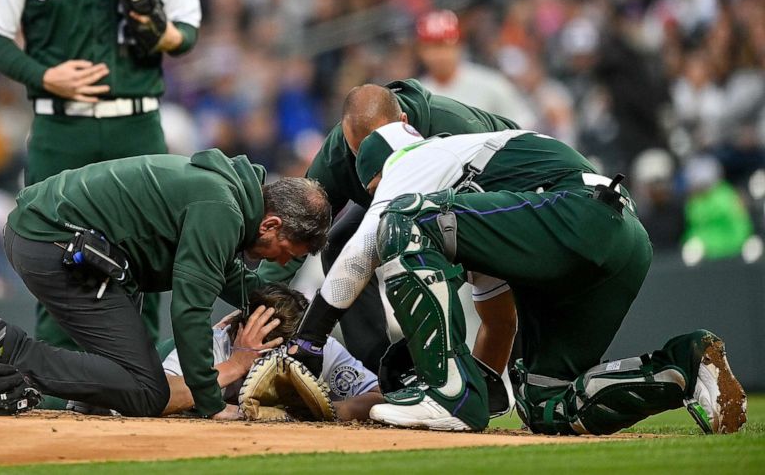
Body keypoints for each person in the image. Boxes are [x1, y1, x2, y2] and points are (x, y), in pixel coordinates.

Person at [293, 124, 747, 435]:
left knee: (400, 221)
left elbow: (361, 250)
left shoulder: (411, 163)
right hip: (621, 239)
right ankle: (684, 365)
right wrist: (485, 378)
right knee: (543, 406)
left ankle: (445, 394)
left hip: (575, 211)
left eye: (372, 192)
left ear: (377, 174)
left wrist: (308, 340)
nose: (375, 199)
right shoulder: (464, 195)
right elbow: (499, 318)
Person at [0, 0, 201, 359]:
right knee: (52, 251)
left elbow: (188, 30)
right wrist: (44, 75)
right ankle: (55, 379)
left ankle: (141, 375)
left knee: (142, 251)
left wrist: (159, 34)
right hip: (60, 126)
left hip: (135, 123)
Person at [0, 149, 330, 419]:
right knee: (149, 391)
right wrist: (211, 401)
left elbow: (226, 277)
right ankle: (7, 350)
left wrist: (269, 307)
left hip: (55, 239)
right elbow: (189, 311)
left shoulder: (228, 198)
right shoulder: (221, 211)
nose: (283, 262)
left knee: (134, 374)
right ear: (271, 225)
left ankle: (89, 400)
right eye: (286, 250)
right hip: (52, 243)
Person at [304, 81, 521, 373]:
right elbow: (297, 225)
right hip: (412, 200)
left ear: (404, 124)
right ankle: (374, 372)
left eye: (374, 151)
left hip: (491, 191)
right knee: (342, 238)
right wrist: (260, 296)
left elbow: (463, 239)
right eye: (358, 153)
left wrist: (310, 336)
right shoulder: (336, 156)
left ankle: (466, 374)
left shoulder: (456, 127)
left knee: (443, 254)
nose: (365, 161)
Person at [162, 283, 383, 421]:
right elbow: (160, 396)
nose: (271, 368)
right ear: (237, 334)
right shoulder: (215, 343)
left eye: (280, 355)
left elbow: (378, 398)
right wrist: (237, 364)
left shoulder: (316, 346)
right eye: (262, 356)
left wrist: (320, 411)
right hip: (162, 349)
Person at [414, 10, 534, 127]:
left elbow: (522, 124)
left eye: (445, 46)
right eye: (432, 47)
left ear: (459, 46)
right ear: (420, 51)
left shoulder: (491, 83)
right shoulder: (416, 95)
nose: (439, 54)